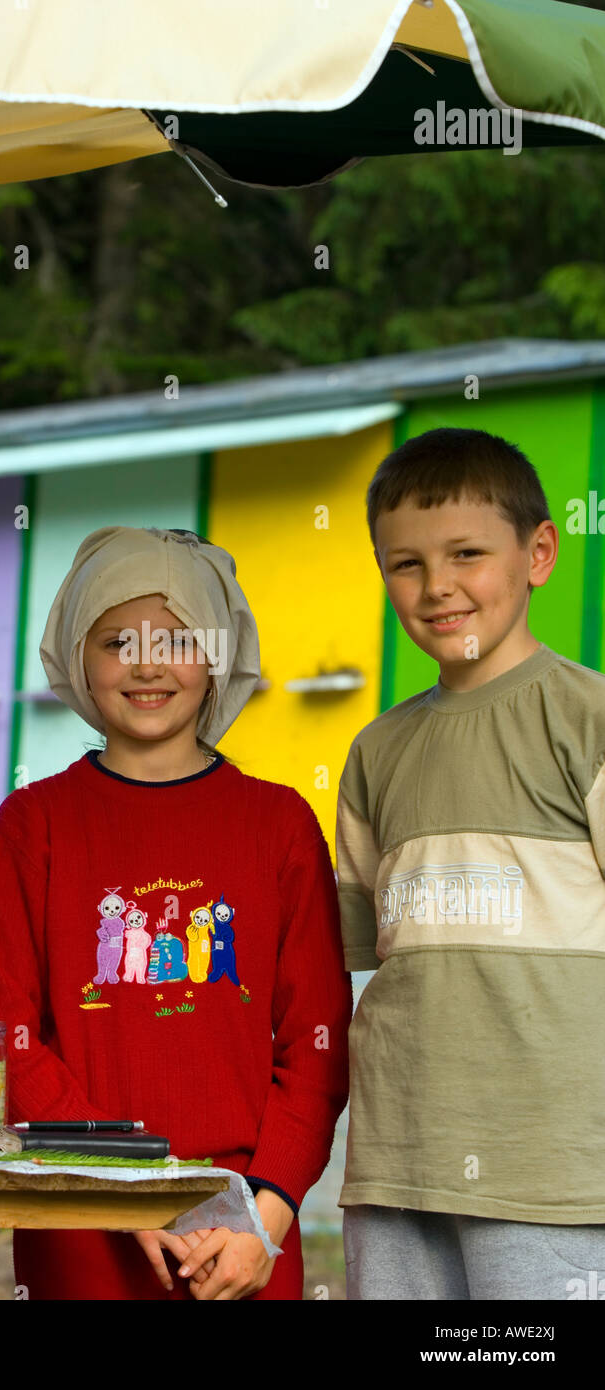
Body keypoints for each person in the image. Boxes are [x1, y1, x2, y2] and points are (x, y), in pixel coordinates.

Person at [0, 525, 351, 1300]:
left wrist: (261, 1219)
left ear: (218, 655)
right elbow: (0, 1025)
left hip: (244, 1229)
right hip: (80, 1214)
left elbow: (317, 1042)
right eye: (116, 641)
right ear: (78, 656)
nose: (145, 663)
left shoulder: (278, 825)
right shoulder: (32, 824)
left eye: (176, 639)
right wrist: (123, 1185)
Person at [336, 427, 605, 1300]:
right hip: (398, 1158)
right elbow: (365, 963)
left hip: (554, 1164)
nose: (436, 586)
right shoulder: (375, 751)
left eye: (465, 554)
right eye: (403, 564)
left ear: (537, 552)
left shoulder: (585, 719)